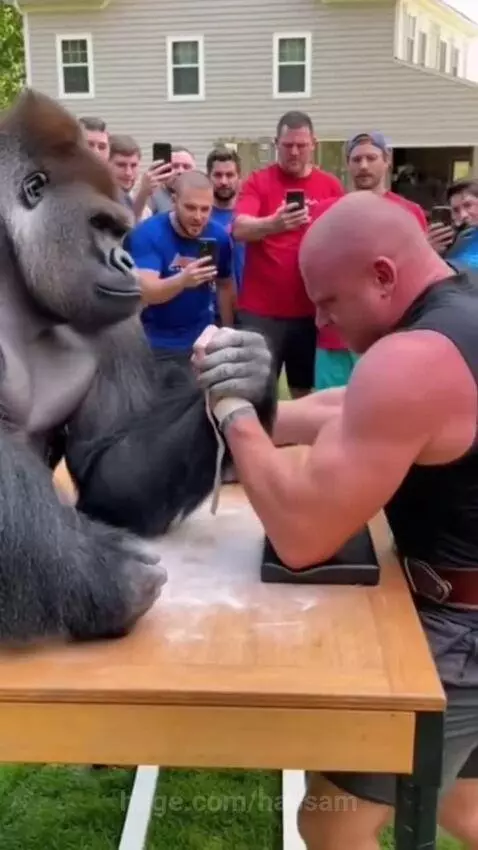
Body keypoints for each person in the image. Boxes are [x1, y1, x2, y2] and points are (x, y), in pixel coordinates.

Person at [194, 191, 478, 850]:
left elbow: (301, 535)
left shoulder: (413, 358)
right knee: (466, 809)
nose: (321, 319)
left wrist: (234, 413)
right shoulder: (455, 313)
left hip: (459, 636)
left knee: (329, 822)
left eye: (327, 301)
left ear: (382, 274)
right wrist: (257, 415)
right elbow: (352, 408)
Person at [232, 110, 344, 398]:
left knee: (303, 392)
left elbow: (343, 239)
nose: (294, 152)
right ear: (276, 143)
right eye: (287, 145)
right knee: (256, 392)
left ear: (313, 144)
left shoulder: (331, 186)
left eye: (301, 145)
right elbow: (239, 229)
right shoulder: (258, 181)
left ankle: (298, 444)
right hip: (261, 312)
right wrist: (274, 223)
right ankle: (255, 443)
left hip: (310, 310)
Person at [314, 131, 427, 391]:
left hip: (389, 336)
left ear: (386, 160)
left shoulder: (409, 212)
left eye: (371, 158)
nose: (363, 166)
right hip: (335, 338)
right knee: (329, 414)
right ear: (348, 164)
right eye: (356, 159)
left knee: (384, 413)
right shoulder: (325, 211)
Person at [125, 170, 235, 360]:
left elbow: (225, 285)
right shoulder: (149, 233)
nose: (198, 216)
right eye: (190, 208)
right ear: (174, 201)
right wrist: (183, 280)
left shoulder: (218, 236)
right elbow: (147, 291)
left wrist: (227, 330)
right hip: (155, 340)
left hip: (202, 338)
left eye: (205, 209)